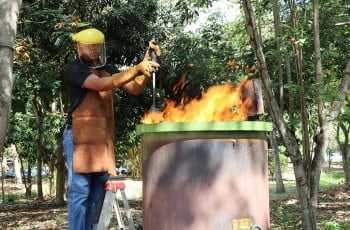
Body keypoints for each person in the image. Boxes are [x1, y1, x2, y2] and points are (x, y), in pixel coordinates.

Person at [62, 27, 160, 230]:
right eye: (89, 46)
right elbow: (100, 85)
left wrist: (146, 64)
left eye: (97, 45)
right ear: (77, 46)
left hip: (101, 139)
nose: (94, 50)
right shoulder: (73, 69)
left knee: (96, 192)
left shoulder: (109, 68)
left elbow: (134, 88)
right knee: (80, 191)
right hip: (79, 137)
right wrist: (135, 69)